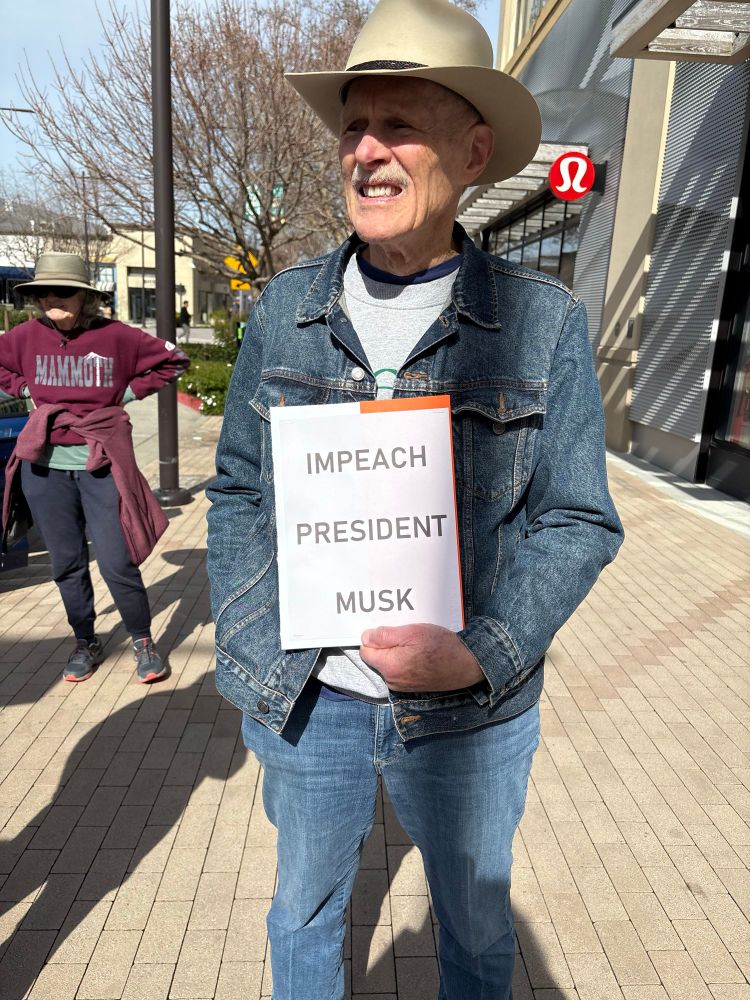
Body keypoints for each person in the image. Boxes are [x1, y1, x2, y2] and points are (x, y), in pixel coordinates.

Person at [206, 1, 624, 997]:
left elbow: (577, 516)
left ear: (472, 152)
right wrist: (253, 630)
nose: (367, 149)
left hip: (471, 713)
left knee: (477, 932)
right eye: (355, 125)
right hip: (313, 700)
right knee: (301, 914)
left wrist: (483, 650)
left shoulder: (542, 322)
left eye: (400, 124)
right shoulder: (284, 310)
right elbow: (233, 488)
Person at [0, 252, 189, 683]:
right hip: (44, 469)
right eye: (43, 292)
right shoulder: (24, 336)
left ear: (84, 297)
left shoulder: (117, 337)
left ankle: (142, 640)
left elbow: (173, 360)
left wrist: (123, 395)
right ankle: (85, 641)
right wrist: (23, 386)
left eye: (63, 291)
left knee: (117, 560)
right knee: (66, 562)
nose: (52, 299)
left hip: (101, 465)